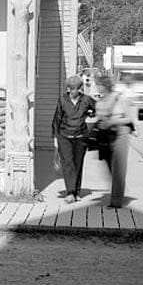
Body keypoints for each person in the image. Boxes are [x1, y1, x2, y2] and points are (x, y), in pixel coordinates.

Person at [94, 71, 138, 208]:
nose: (97, 88)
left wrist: (113, 121)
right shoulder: (99, 102)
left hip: (120, 133)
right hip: (106, 136)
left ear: (105, 86)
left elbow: (129, 118)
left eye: (99, 85)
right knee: (109, 167)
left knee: (119, 167)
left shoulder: (120, 98)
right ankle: (117, 191)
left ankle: (116, 201)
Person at [51, 74, 96, 203]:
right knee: (68, 164)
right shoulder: (63, 100)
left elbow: (97, 108)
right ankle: (70, 192)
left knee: (78, 164)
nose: (72, 91)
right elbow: (57, 118)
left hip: (81, 136)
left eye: (75, 88)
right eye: (70, 88)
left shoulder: (86, 100)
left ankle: (76, 191)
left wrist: (91, 113)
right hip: (64, 136)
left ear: (80, 88)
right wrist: (55, 137)